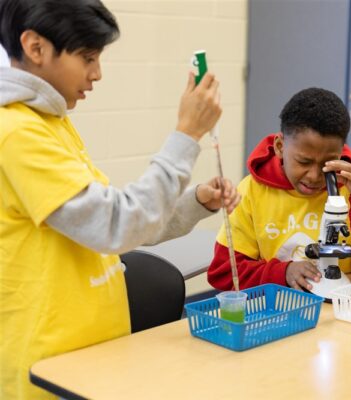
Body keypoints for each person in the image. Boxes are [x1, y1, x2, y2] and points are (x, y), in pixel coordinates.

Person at [0, 0, 240, 398]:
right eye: (87, 57)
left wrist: (195, 201)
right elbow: (115, 227)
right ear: (36, 47)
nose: (97, 74)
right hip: (47, 369)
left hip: (93, 355)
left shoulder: (52, 123)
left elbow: (121, 222)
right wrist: (185, 135)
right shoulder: (17, 133)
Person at [207, 87, 351, 291]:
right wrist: (282, 273)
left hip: (340, 308)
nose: (314, 176)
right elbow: (224, 272)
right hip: (278, 309)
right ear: (279, 146)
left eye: (328, 163)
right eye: (303, 161)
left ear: (340, 153)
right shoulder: (251, 191)